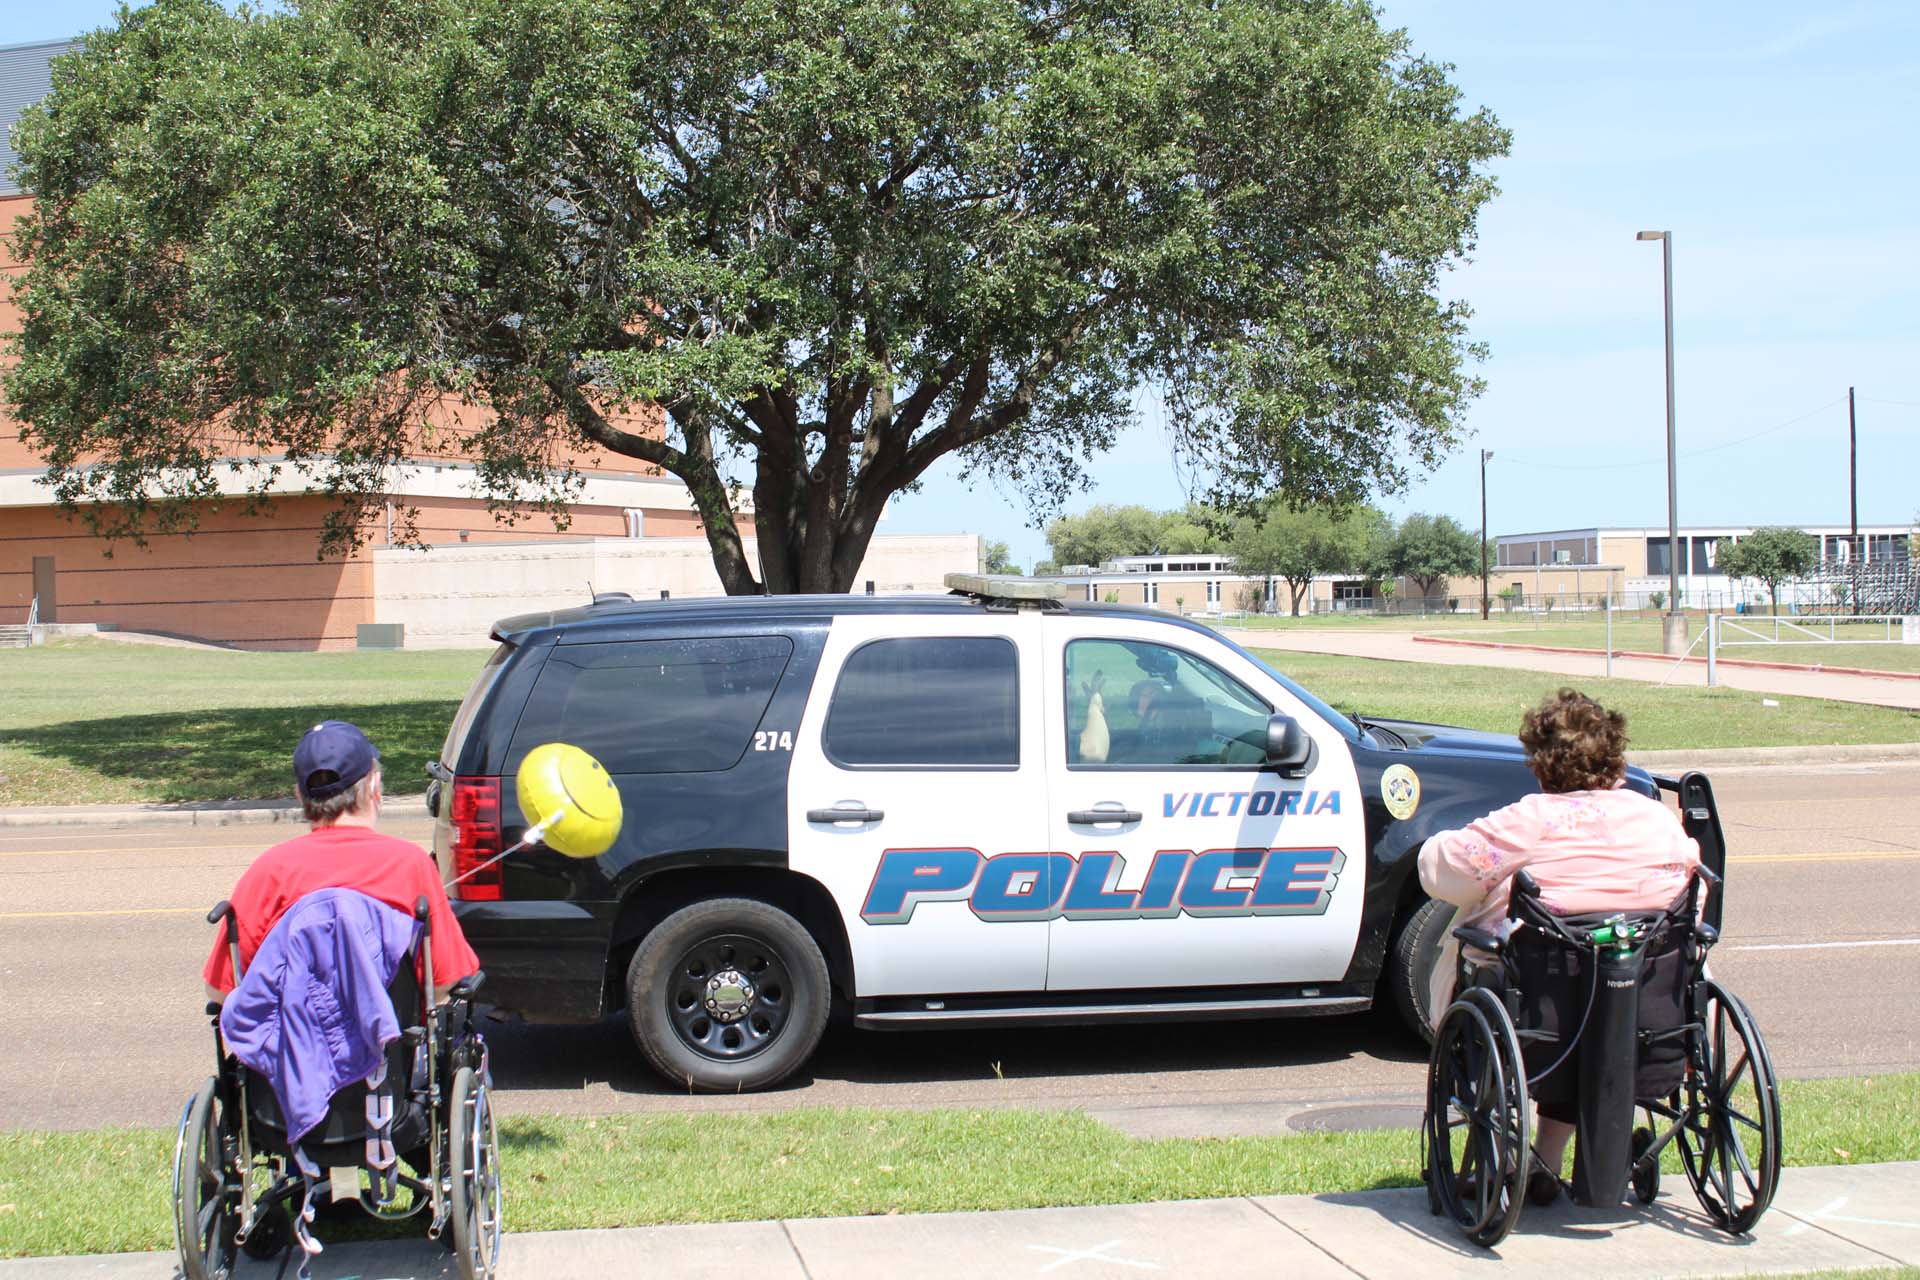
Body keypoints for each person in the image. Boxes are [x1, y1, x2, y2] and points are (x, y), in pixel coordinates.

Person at [1417, 688, 1700, 1205]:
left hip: (1546, 1023)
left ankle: (1521, 1157)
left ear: (1540, 764)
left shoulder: (1532, 820)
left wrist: (1434, 842)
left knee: (1469, 943)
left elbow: (1444, 870)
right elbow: (1692, 907)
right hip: (1649, 1010)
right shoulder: (1660, 821)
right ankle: (1547, 1156)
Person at [203, 720, 480, 1004]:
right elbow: (446, 980)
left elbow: (222, 990)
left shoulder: (270, 871)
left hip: (294, 1045)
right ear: (374, 786)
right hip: (387, 1043)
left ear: (300, 795)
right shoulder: (409, 864)